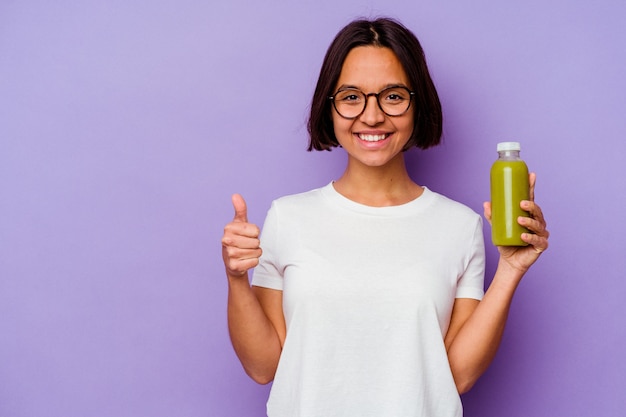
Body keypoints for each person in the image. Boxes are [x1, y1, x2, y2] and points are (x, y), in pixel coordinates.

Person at [221, 17, 549, 417]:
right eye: (351, 96)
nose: (372, 116)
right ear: (330, 106)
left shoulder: (459, 226)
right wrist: (237, 279)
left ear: (417, 103)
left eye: (392, 96)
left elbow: (457, 376)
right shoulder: (287, 217)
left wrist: (511, 270)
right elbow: (263, 366)